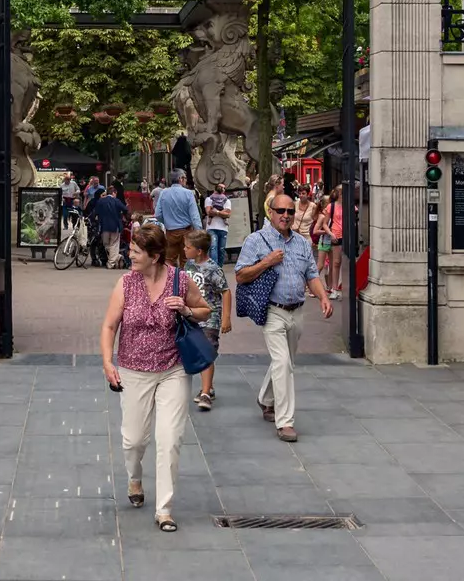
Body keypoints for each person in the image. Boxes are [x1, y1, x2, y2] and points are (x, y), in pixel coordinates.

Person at [99, 220, 210, 532]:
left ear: (155, 255)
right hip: (133, 369)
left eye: (136, 251)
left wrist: (186, 310)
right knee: (133, 441)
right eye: (131, 250)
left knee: (169, 439)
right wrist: (109, 362)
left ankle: (164, 509)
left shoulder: (180, 280)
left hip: (172, 369)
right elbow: (109, 326)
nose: (130, 256)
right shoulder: (125, 283)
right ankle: (135, 478)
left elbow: (205, 309)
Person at [235, 191, 331, 442]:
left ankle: (265, 399)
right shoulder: (256, 240)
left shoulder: (300, 243)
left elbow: (311, 274)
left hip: (296, 311)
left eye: (290, 211)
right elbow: (240, 275)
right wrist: (266, 262)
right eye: (281, 211)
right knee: (283, 364)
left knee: (285, 361)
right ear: (271, 212)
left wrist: (322, 296)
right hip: (272, 311)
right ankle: (285, 421)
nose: (286, 216)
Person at [183, 229, 231, 411]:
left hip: (210, 318)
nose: (184, 250)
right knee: (195, 352)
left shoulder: (213, 269)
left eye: (187, 247)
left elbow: (225, 291)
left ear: (199, 251)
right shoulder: (188, 266)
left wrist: (226, 318)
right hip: (192, 316)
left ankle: (205, 392)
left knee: (207, 353)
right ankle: (208, 386)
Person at [154, 168, 201, 266]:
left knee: (169, 260)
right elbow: (194, 216)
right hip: (186, 231)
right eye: (185, 178)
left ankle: (169, 280)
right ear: (180, 179)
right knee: (186, 261)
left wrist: (166, 222)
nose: (186, 180)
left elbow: (157, 214)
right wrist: (199, 232)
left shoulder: (164, 193)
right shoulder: (188, 193)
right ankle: (184, 280)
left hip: (170, 232)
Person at [90, 183, 130, 270]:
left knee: (106, 244)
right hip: (115, 226)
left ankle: (114, 258)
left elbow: (95, 213)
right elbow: (125, 209)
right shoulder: (116, 201)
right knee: (114, 244)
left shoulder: (100, 201)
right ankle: (112, 262)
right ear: (114, 193)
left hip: (103, 226)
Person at [319, 185, 343, 298]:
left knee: (345, 263)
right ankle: (334, 288)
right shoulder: (331, 206)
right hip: (336, 235)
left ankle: (342, 287)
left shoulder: (350, 206)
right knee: (336, 262)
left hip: (346, 236)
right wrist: (330, 233)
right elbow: (325, 223)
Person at [204, 186, 231, 266]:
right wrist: (222, 213)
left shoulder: (227, 200)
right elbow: (208, 212)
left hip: (223, 229)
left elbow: (228, 214)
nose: (223, 189)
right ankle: (214, 269)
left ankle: (219, 268)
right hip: (211, 228)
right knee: (213, 248)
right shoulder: (209, 199)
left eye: (224, 188)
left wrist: (216, 212)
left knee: (221, 250)